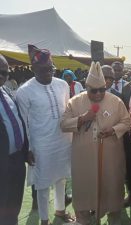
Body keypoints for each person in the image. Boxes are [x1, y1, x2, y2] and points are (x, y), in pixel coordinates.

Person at [60, 61, 130, 225]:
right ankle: (84, 219)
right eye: (94, 90)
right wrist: (83, 118)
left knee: (112, 188)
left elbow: (126, 122)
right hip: (84, 158)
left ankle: (114, 218)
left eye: (102, 90)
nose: (99, 94)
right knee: (84, 192)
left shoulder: (116, 101)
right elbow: (63, 125)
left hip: (110, 156)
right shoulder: (75, 102)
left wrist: (113, 130)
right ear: (86, 86)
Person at [16, 45, 73, 225]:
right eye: (43, 70)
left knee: (61, 177)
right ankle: (44, 219)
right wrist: (28, 148)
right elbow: (23, 123)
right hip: (40, 144)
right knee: (42, 183)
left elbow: (66, 112)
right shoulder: (24, 91)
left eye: (50, 68)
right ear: (33, 69)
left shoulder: (62, 85)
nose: (48, 73)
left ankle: (60, 210)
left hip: (63, 140)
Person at [0, 54, 28, 225]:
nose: (1, 76)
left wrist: (25, 151)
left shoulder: (7, 92)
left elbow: (18, 122)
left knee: (13, 205)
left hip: (16, 160)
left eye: (4, 72)